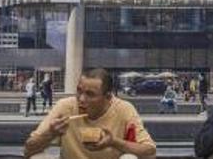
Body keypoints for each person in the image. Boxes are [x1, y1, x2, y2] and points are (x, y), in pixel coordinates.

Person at [24, 68, 156, 159]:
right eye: (79, 91)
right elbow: (28, 150)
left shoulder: (124, 109)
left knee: (129, 158)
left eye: (90, 94)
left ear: (108, 97)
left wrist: (114, 142)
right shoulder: (65, 106)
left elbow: (150, 152)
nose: (81, 99)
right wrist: (50, 134)